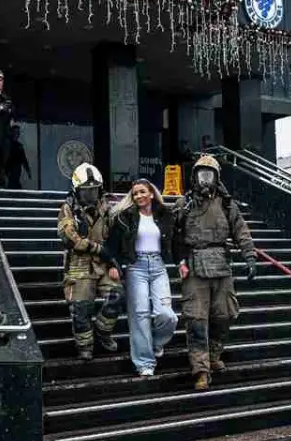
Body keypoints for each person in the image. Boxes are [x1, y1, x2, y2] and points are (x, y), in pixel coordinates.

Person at [172, 154, 256, 390]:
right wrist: (179, 260)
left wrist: (250, 256)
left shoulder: (227, 204)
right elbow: (172, 236)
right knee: (196, 319)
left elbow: (241, 231)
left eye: (209, 175)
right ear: (194, 177)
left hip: (221, 264)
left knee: (225, 314)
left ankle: (214, 354)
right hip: (195, 265)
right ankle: (201, 369)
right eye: (201, 175)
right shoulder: (183, 204)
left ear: (217, 177)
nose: (205, 180)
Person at [105, 179, 178, 376]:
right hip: (135, 267)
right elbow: (112, 244)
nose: (138, 196)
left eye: (142, 192)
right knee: (140, 315)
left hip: (158, 266)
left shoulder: (164, 214)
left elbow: (176, 240)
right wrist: (113, 264)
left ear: (151, 193)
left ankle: (155, 343)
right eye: (135, 193)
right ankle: (144, 363)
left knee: (167, 315)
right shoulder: (125, 217)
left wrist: (182, 262)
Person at [57, 163, 123, 361]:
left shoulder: (108, 207)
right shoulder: (68, 209)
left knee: (117, 295)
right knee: (81, 309)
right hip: (79, 266)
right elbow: (69, 238)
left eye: (94, 191)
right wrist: (95, 248)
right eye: (86, 191)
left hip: (103, 264)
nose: (90, 195)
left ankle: (103, 331)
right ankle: (85, 346)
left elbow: (114, 237)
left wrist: (112, 263)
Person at [4, 125, 31, 190]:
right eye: (15, 132)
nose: (17, 134)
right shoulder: (7, 144)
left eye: (18, 133)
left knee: (15, 184)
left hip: (16, 169)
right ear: (11, 133)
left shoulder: (19, 146)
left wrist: (28, 171)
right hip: (9, 169)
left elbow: (24, 159)